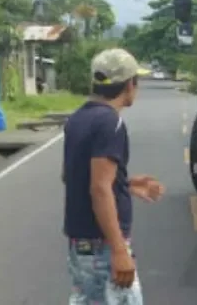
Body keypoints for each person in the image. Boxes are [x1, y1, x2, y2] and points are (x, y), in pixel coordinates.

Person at [62, 48, 165, 305]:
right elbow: (98, 188)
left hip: (81, 245)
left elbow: (71, 176)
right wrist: (119, 250)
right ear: (130, 84)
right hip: (102, 246)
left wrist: (124, 184)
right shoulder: (111, 123)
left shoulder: (77, 118)